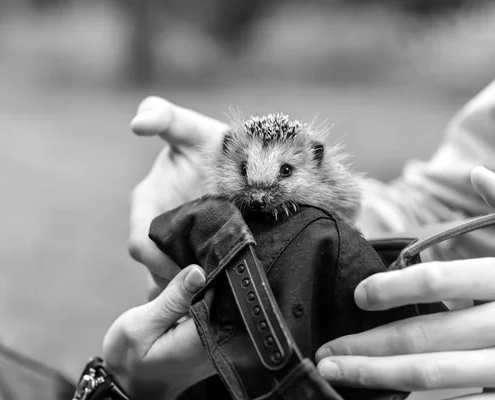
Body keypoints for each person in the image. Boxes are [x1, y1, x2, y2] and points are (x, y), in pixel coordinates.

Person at [125, 78, 495, 395]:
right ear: (226, 161)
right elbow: (440, 206)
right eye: (244, 171)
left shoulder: (334, 189)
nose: (259, 192)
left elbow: (351, 202)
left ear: (315, 162)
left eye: (285, 172)